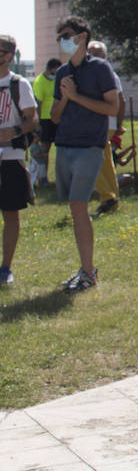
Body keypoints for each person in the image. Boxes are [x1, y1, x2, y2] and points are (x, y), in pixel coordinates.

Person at [50, 17, 120, 293]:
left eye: (65, 35)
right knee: (75, 206)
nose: (62, 41)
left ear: (82, 37)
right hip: (64, 146)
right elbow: (55, 116)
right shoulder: (61, 73)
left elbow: (112, 108)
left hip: (90, 147)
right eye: (59, 37)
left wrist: (77, 96)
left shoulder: (101, 68)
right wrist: (66, 97)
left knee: (79, 206)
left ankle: (88, 272)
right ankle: (85, 269)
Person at [0, 36, 38, 286]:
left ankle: (5, 267)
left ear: (10, 55)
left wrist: (13, 132)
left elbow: (32, 121)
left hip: (10, 159)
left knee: (10, 213)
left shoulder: (19, 84)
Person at [85, 41, 124, 218]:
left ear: (105, 56)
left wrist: (119, 124)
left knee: (91, 159)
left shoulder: (107, 74)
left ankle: (107, 196)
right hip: (100, 123)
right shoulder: (97, 73)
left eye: (98, 53)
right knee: (106, 162)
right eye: (92, 53)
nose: (95, 56)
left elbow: (121, 101)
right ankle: (113, 198)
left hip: (102, 123)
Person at [30, 58, 59, 188]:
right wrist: (38, 123)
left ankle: (62, 177)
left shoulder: (57, 80)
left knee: (62, 147)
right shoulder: (39, 81)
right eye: (55, 70)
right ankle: (43, 177)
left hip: (57, 118)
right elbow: (38, 104)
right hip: (45, 119)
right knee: (45, 148)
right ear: (49, 69)